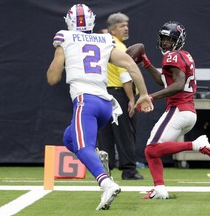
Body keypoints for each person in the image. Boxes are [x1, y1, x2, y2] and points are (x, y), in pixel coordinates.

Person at [46, 4, 153, 210]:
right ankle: (97, 157)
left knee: (81, 146)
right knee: (69, 139)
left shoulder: (65, 37)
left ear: (69, 22)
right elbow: (131, 64)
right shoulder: (104, 39)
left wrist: (61, 55)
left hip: (86, 101)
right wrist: (144, 94)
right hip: (106, 105)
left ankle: (106, 183)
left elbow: (52, 78)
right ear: (93, 21)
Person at [139, 21, 210, 199]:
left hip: (178, 109)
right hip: (187, 112)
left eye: (170, 39)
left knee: (151, 149)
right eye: (164, 38)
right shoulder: (184, 55)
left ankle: (197, 144)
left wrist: (150, 97)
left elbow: (178, 85)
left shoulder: (172, 56)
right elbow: (165, 81)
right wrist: (146, 63)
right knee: (153, 150)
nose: (166, 42)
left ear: (178, 41)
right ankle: (160, 189)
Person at [97, 12, 143, 180]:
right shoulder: (121, 48)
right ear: (113, 29)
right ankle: (129, 171)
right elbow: (125, 77)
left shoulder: (103, 44)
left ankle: (104, 171)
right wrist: (131, 99)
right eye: (122, 26)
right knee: (125, 133)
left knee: (105, 134)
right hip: (119, 95)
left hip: (102, 94)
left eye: (127, 25)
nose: (126, 28)